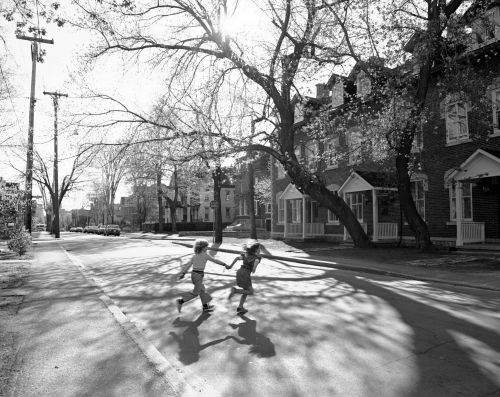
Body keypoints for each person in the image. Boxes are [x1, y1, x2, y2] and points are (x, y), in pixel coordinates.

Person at [176, 239, 229, 313]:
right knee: (195, 293)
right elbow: (215, 260)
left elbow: (188, 265)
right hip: (198, 276)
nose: (207, 248)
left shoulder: (195, 256)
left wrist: (183, 273)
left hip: (194, 275)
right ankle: (180, 301)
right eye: (206, 247)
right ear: (202, 247)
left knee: (202, 291)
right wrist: (224, 264)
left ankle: (205, 307)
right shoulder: (205, 255)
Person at [226, 241, 261, 314]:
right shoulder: (257, 257)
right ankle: (235, 291)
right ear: (256, 249)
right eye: (259, 248)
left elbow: (236, 258)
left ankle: (240, 307)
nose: (260, 250)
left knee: (246, 291)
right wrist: (254, 268)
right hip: (245, 274)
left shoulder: (246, 254)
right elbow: (256, 263)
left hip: (239, 271)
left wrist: (230, 266)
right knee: (251, 292)